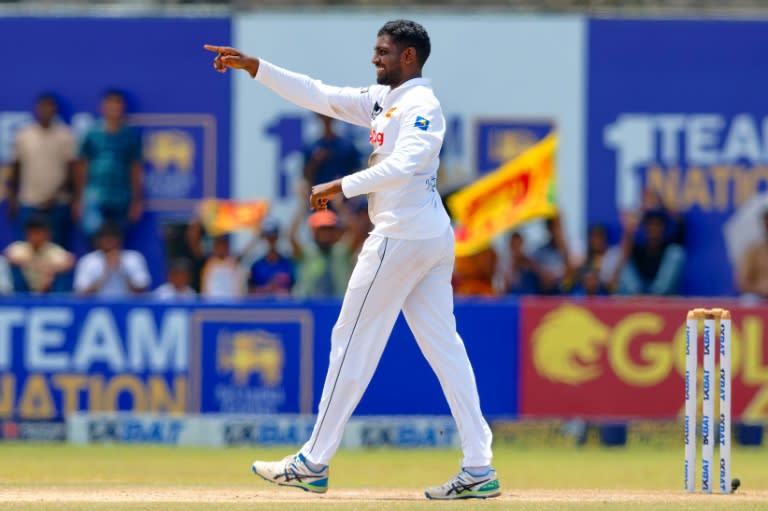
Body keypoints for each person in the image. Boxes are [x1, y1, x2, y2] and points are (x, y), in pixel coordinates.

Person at [205, 19, 498, 500]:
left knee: (350, 341)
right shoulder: (386, 100)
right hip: (425, 235)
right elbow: (321, 95)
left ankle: (313, 461)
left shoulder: (422, 104)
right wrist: (256, 67)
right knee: (446, 351)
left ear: (409, 57)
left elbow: (407, 164)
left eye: (383, 51)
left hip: (402, 238)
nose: (374, 58)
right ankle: (479, 466)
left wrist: (341, 186)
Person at [7, 93, 76, 248]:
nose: (46, 110)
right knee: (25, 251)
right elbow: (16, 169)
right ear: (36, 109)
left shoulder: (65, 135)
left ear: (55, 110)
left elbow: (72, 171)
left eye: (49, 107)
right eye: (42, 107)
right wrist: (12, 198)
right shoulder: (24, 135)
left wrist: (55, 195)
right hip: (28, 201)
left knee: (56, 251)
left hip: (58, 203)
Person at [75, 90, 144, 240]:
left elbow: (135, 168)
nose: (113, 110)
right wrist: (78, 198)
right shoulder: (91, 133)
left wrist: (136, 200)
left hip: (121, 196)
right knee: (93, 236)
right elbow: (83, 167)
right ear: (103, 107)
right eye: (110, 105)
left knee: (117, 239)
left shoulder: (130, 135)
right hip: (94, 195)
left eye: (117, 106)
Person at [616, 210, 685, 295]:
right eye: (651, 225)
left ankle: (656, 295)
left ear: (663, 228)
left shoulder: (669, 246)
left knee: (676, 252)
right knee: (620, 253)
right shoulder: (638, 249)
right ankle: (638, 296)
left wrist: (661, 202)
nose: (654, 228)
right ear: (645, 228)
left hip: (662, 293)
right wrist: (630, 229)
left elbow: (681, 223)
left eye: (657, 225)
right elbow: (624, 253)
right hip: (638, 292)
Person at [73, 222, 150, 297]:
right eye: (105, 239)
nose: (108, 242)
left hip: (128, 307)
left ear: (119, 239)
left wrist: (121, 269)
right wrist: (107, 272)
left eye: (112, 238)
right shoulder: (88, 261)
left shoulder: (133, 258)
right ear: (98, 241)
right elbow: (81, 294)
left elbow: (142, 291)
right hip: (97, 308)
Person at [4, 215, 74, 294]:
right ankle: (18, 298)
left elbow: (69, 261)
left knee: (61, 278)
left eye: (40, 233)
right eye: (34, 233)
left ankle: (58, 301)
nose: (37, 237)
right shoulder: (20, 247)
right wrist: (33, 263)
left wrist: (51, 270)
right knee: (15, 271)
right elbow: (8, 256)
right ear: (27, 234)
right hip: (25, 287)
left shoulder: (52, 249)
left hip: (48, 288)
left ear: (47, 234)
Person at [302, 113, 362, 187]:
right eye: (322, 114)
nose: (326, 118)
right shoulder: (311, 147)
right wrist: (315, 161)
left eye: (328, 114)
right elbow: (306, 177)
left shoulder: (347, 146)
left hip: (344, 195)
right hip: (320, 196)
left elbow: (357, 172)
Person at [248, 218, 295, 297]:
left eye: (274, 236)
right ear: (264, 238)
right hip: (262, 308)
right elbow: (249, 293)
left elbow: (293, 290)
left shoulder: (288, 264)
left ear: (278, 237)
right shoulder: (256, 266)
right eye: (268, 237)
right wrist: (267, 289)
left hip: (283, 308)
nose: (271, 240)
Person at [738, 208, 768, 299]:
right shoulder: (753, 251)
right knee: (748, 300)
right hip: (760, 296)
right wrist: (760, 288)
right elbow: (742, 283)